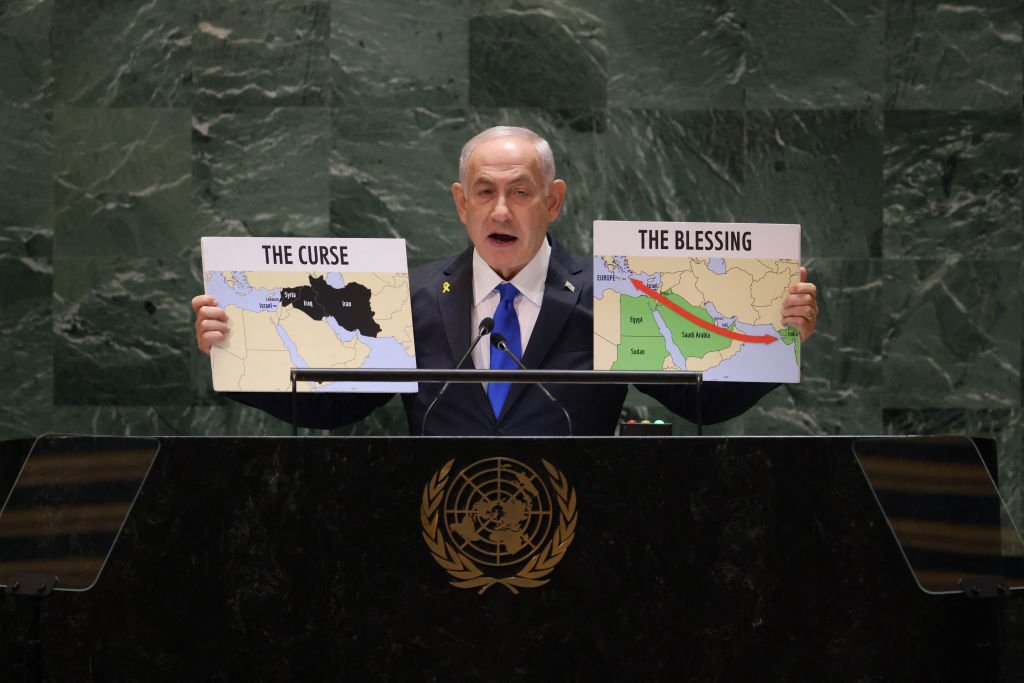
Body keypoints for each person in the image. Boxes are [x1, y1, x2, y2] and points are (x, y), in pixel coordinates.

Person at [192, 126, 819, 436]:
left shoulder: (611, 294)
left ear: (553, 201)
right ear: (461, 203)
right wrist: (237, 354)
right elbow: (339, 404)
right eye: (485, 193)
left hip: (578, 539)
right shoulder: (410, 297)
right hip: (440, 537)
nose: (501, 211)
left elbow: (698, 401)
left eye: (520, 192)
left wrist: (774, 340)